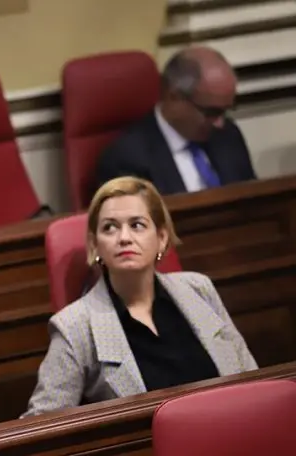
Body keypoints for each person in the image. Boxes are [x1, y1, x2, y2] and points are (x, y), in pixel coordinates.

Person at [22, 176, 256, 418]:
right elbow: (42, 425)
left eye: (137, 225)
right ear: (95, 245)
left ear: (162, 238)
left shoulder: (199, 289)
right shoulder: (75, 327)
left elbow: (251, 380)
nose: (124, 238)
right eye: (109, 227)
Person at [95, 46, 256, 197]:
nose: (219, 123)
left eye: (225, 110)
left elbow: (256, 205)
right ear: (174, 97)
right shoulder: (127, 159)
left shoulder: (229, 136)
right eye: (211, 112)